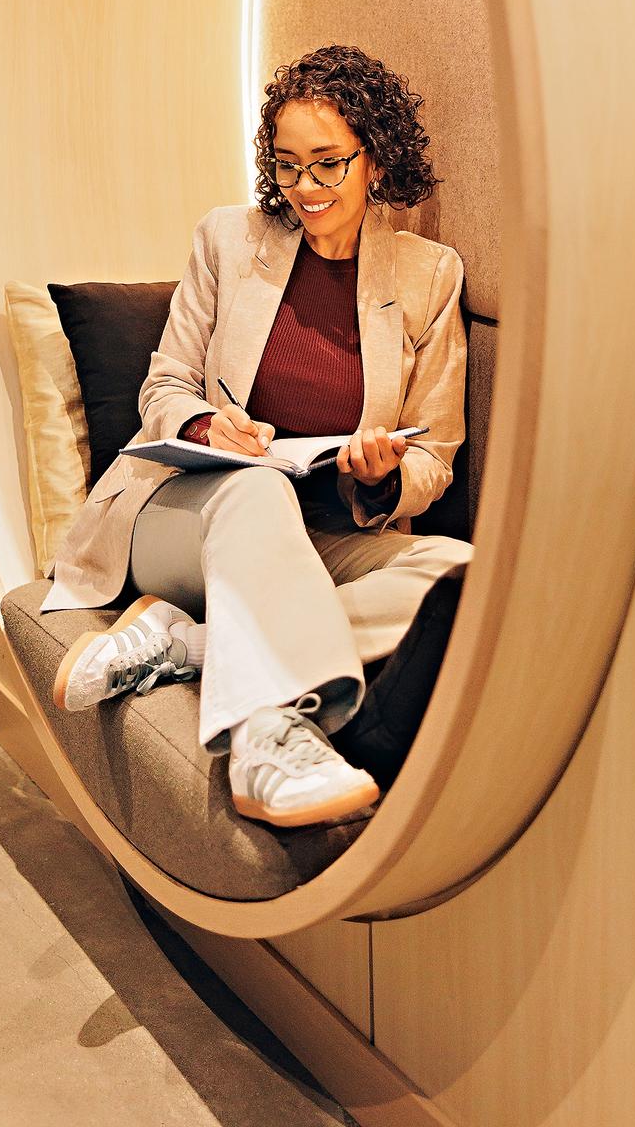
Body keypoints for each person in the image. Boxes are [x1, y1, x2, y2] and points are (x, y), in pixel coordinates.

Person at [41, 42, 472, 828]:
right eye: (286, 165)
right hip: (185, 516)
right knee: (255, 487)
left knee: (461, 575)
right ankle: (268, 739)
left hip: (326, 533)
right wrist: (207, 422)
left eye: (327, 164)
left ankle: (193, 648)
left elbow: (434, 453)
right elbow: (163, 383)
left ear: (375, 159)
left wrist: (382, 477)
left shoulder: (427, 275)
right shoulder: (227, 241)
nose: (304, 188)